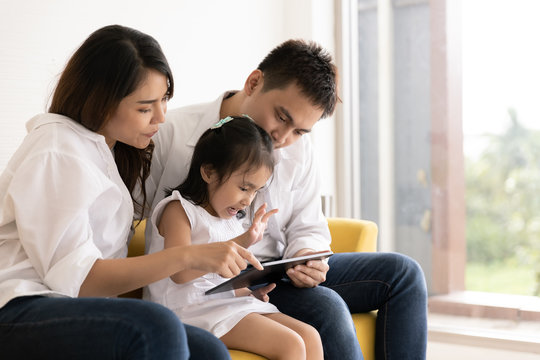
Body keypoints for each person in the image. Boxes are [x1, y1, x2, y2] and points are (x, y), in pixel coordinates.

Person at [147, 39, 428, 359]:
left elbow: (309, 225)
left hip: (276, 269)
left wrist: (309, 256)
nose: (283, 139)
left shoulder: (297, 148)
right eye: (281, 117)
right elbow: (141, 228)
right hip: (215, 283)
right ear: (254, 83)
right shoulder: (170, 133)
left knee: (403, 274)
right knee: (327, 307)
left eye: (299, 131)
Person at [0, 25, 261, 360]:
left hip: (69, 306)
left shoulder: (105, 151)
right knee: (156, 327)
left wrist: (219, 291)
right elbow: (78, 281)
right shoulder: (57, 149)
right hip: (21, 308)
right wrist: (188, 256)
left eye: (164, 100)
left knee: (207, 349)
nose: (161, 117)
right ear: (101, 101)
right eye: (144, 107)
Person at [144, 115, 323, 359]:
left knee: (310, 336)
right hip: (184, 310)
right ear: (209, 172)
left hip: (218, 304)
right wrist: (241, 243)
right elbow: (180, 273)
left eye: (256, 191)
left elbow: (212, 282)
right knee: (290, 344)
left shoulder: (228, 221)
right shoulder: (178, 210)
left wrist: (245, 292)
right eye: (244, 188)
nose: (248, 200)